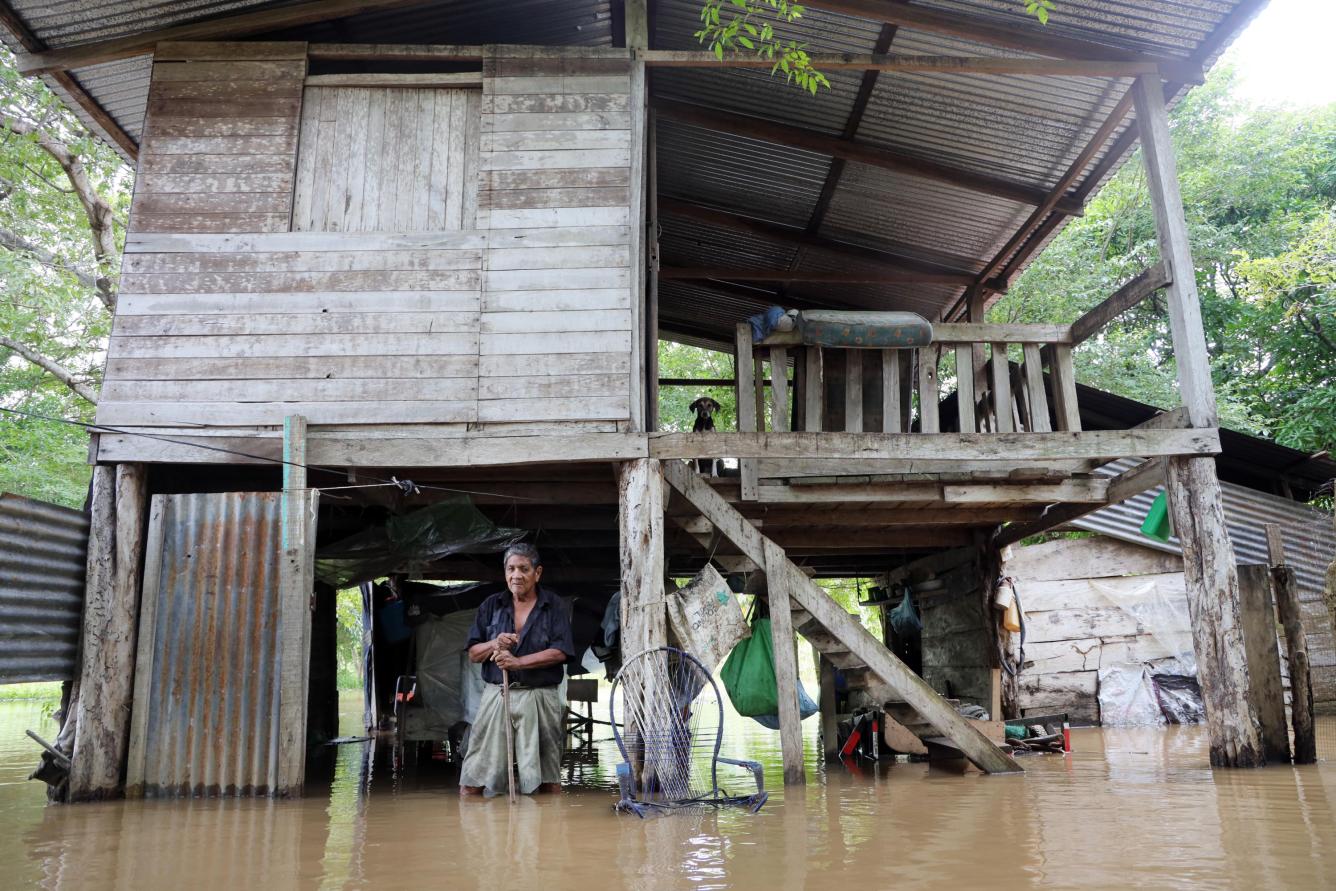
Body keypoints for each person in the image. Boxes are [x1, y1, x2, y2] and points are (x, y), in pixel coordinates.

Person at [459, 543, 575, 796]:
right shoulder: (491, 605)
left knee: (548, 781)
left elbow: (561, 651)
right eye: (511, 569)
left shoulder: (553, 605)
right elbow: (474, 653)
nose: (516, 575)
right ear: (505, 573)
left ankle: (541, 831)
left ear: (538, 573)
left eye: (524, 568)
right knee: (471, 783)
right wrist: (494, 643)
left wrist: (519, 662)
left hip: (540, 696)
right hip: (498, 694)